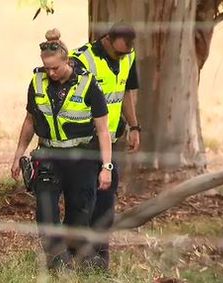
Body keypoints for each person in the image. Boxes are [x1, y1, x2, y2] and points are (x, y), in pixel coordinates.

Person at [11, 28, 114, 270]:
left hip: (82, 159)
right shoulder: (37, 81)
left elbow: (103, 130)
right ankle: (58, 263)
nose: (51, 72)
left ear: (67, 60)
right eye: (47, 68)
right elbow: (30, 120)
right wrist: (19, 153)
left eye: (55, 68)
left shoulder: (88, 85)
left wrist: (106, 167)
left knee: (80, 213)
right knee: (46, 213)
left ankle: (79, 256)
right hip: (48, 155)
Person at [70, 22, 141, 267]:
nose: (123, 56)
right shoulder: (82, 59)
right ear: (107, 40)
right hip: (84, 141)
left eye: (126, 52)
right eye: (119, 52)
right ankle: (76, 255)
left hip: (110, 141)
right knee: (82, 199)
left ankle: (100, 257)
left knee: (106, 201)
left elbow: (127, 92)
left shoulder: (128, 55)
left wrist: (134, 126)